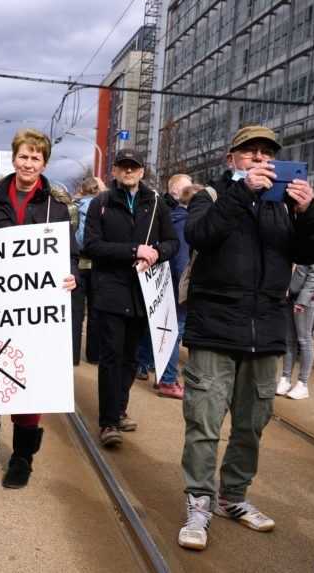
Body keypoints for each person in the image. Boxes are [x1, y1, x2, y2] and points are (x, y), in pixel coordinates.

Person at [177, 126, 314, 551]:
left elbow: (311, 252)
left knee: (251, 425)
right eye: (250, 153)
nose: (260, 160)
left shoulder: (284, 205)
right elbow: (200, 235)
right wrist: (242, 193)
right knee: (204, 424)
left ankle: (233, 498)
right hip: (215, 329)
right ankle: (199, 504)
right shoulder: (210, 196)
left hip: (265, 331)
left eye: (267, 154)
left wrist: (308, 212)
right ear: (232, 160)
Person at [0, 129, 78, 490]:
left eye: (36, 158)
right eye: (23, 157)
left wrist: (71, 276)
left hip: (34, 311)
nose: (28, 164)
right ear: (14, 159)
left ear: (44, 163)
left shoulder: (56, 206)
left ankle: (22, 459)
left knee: (32, 382)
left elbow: (70, 253)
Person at [84, 148, 179, 448]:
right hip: (111, 291)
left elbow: (172, 242)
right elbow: (92, 246)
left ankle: (120, 409)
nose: (128, 171)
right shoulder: (101, 202)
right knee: (112, 357)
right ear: (114, 170)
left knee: (131, 357)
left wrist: (156, 253)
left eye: (133, 167)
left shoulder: (155, 203)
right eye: (123, 166)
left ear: (142, 171)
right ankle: (108, 421)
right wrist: (133, 250)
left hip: (143, 292)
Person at [277, 195, 314, 400]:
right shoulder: (298, 229)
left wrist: (303, 300)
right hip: (292, 291)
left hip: (305, 295)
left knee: (304, 339)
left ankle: (303, 382)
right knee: (289, 339)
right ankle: (285, 378)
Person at [155, 175, 195, 399]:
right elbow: (181, 260)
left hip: (172, 285)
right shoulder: (182, 221)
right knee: (174, 333)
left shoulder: (175, 218)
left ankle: (163, 375)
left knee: (171, 332)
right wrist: (185, 292)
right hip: (178, 288)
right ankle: (168, 380)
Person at [72, 176, 105, 365]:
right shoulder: (103, 208)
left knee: (76, 312)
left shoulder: (72, 207)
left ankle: (73, 355)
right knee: (96, 311)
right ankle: (94, 355)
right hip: (97, 264)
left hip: (76, 264)